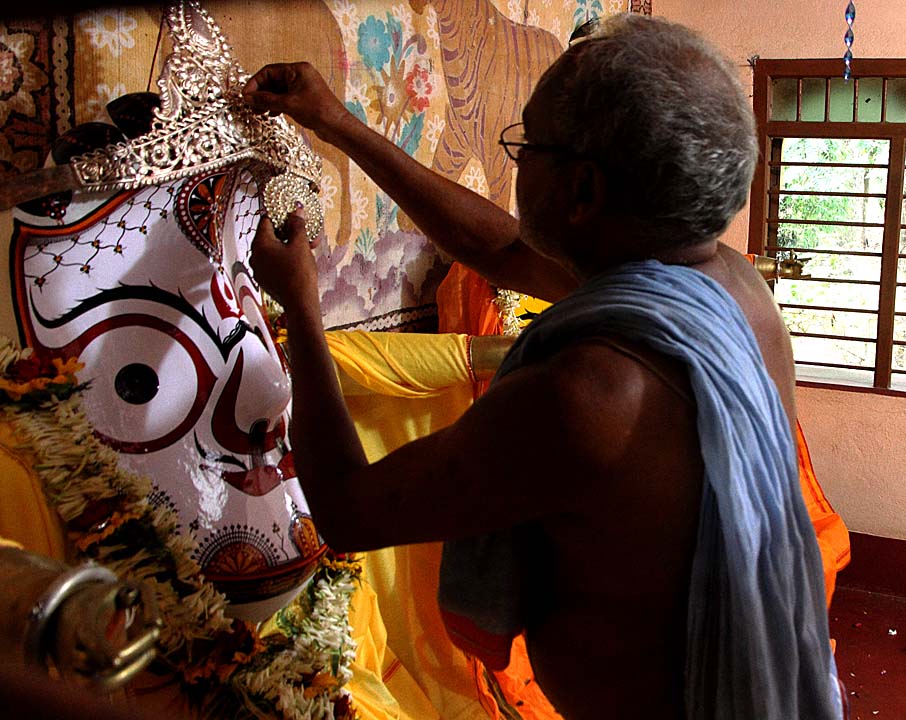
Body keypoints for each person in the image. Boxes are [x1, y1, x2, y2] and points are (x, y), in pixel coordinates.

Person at [245, 13, 842, 720]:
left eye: (527, 145)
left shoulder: (591, 393)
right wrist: (336, 122)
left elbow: (347, 509)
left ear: (582, 192)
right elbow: (500, 252)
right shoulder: (730, 288)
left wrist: (302, 308)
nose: (518, 160)